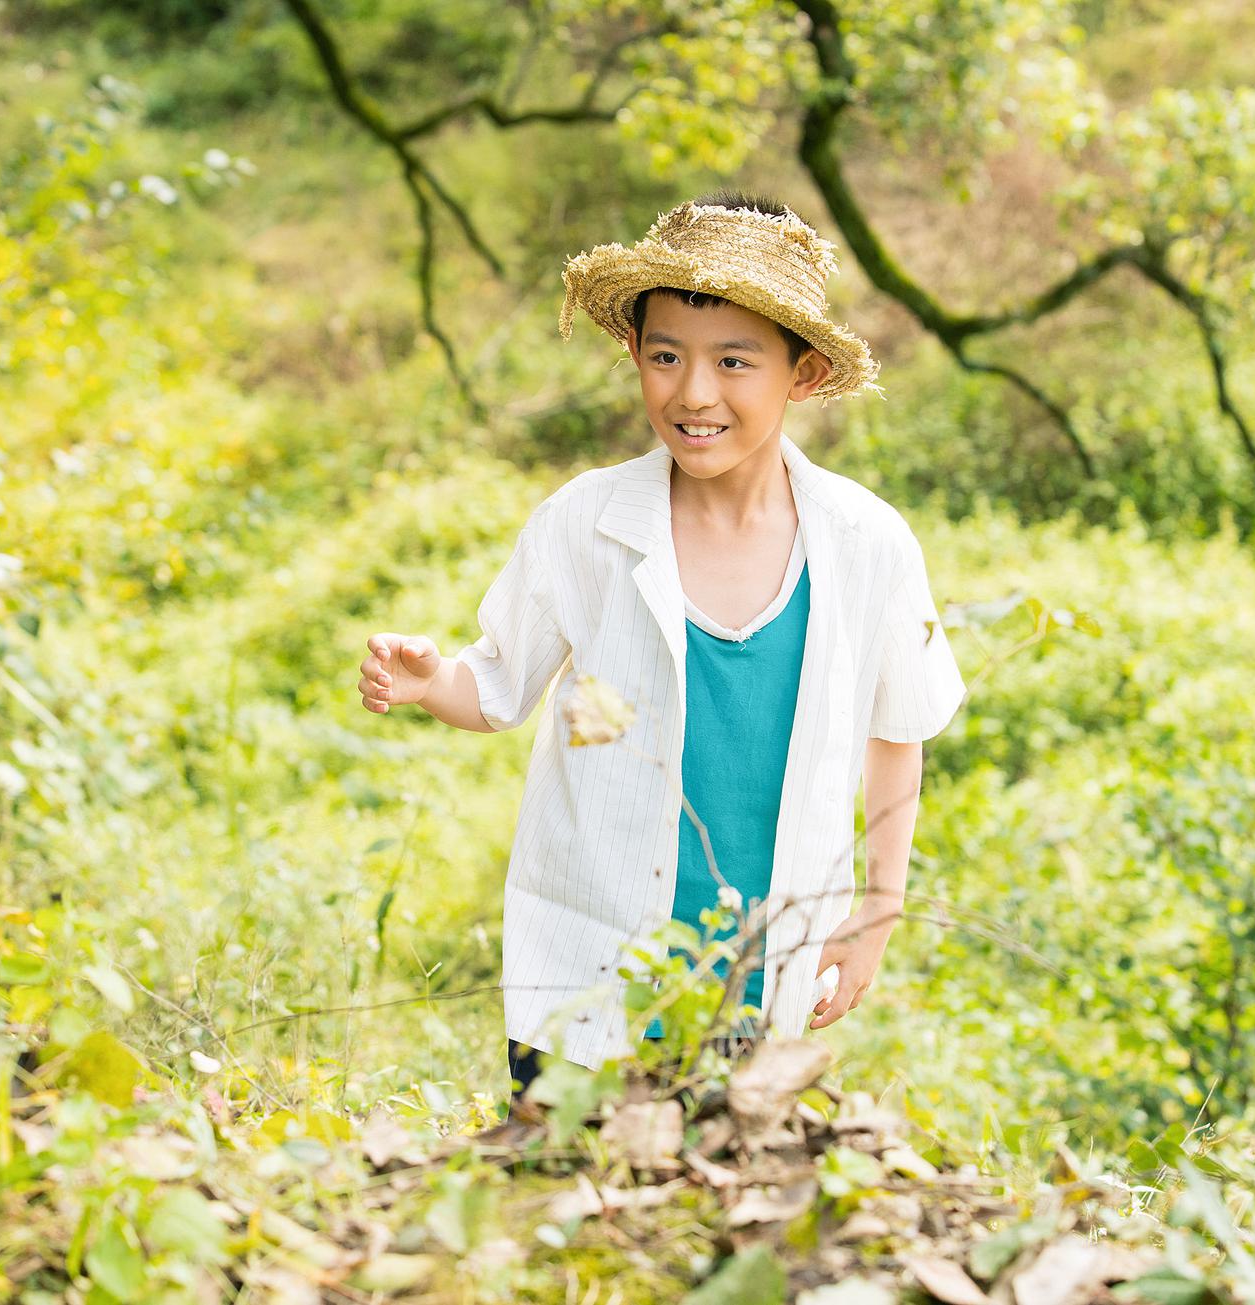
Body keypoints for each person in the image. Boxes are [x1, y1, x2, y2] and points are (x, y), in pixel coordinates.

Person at [358, 190, 966, 1120]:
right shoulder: (586, 523)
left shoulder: (867, 544)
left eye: (734, 361)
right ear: (635, 356)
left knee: (709, 1220)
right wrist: (429, 679)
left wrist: (878, 908)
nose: (693, 393)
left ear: (801, 374)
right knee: (573, 1206)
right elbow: (495, 684)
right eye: (665, 356)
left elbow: (899, 729)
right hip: (585, 973)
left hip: (754, 983)